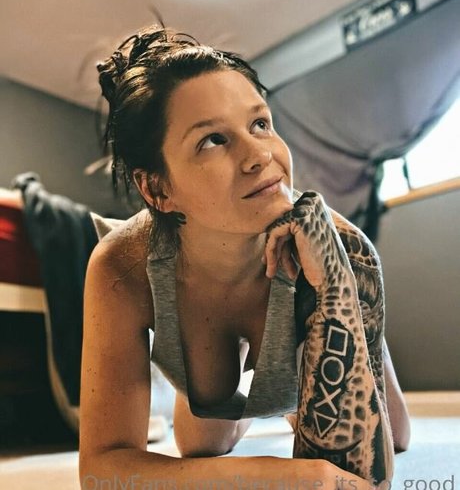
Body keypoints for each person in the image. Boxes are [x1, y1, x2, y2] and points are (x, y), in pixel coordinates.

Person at [78, 26, 410, 489]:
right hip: (189, 287)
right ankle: (242, 391)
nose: (259, 155)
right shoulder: (123, 267)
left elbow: (361, 475)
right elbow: (101, 471)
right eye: (213, 140)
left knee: (396, 430)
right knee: (201, 445)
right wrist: (269, 477)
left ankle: (289, 374)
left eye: (260, 124)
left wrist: (335, 287)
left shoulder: (342, 247)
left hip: (318, 284)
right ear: (157, 188)